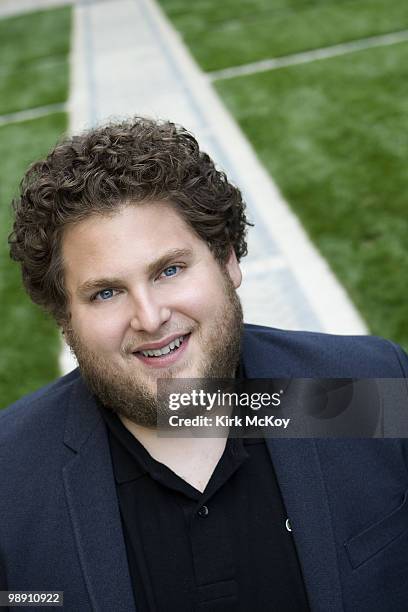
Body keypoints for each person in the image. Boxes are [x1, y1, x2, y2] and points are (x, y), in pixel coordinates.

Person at [1, 117, 407, 612]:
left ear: (228, 259)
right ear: (66, 316)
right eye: (106, 292)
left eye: (169, 270)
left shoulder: (363, 390)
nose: (150, 318)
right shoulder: (11, 477)